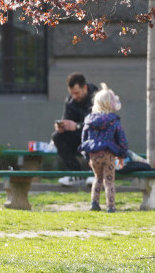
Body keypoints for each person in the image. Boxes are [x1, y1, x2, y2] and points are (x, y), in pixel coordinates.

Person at [79, 84, 128, 212]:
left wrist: (87, 156)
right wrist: (122, 155)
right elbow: (122, 139)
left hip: (94, 155)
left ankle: (94, 203)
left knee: (98, 178)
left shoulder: (89, 120)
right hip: (109, 155)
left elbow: (84, 139)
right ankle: (110, 207)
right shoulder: (114, 121)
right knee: (109, 181)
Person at [52, 72, 99, 185]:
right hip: (78, 137)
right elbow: (67, 121)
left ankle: (94, 172)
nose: (74, 96)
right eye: (72, 93)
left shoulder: (97, 98)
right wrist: (62, 127)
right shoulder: (70, 101)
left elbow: (98, 123)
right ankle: (75, 173)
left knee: (92, 134)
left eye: (77, 93)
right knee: (57, 137)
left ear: (85, 87)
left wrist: (77, 126)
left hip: (94, 136)